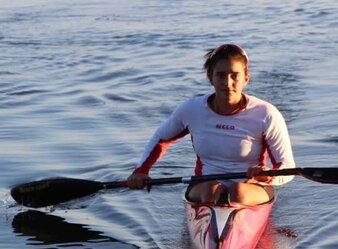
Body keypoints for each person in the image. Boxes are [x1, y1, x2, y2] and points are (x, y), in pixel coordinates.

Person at [126, 43, 296, 205]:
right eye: (220, 75)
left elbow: (287, 166)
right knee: (211, 191)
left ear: (246, 78)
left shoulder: (266, 113)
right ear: (211, 78)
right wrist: (141, 171)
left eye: (234, 75)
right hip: (204, 185)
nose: (227, 83)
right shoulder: (191, 110)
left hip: (252, 187)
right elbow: (161, 139)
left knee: (238, 192)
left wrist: (268, 175)